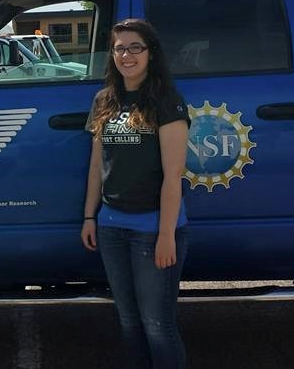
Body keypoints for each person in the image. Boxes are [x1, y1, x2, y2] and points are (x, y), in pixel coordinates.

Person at [81, 19, 190, 368]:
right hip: (111, 226)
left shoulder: (166, 102)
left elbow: (173, 177)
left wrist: (166, 235)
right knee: (129, 322)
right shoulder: (104, 101)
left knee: (158, 326)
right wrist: (89, 216)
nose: (126, 55)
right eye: (119, 48)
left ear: (150, 53)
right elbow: (97, 165)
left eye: (135, 48)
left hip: (152, 228)